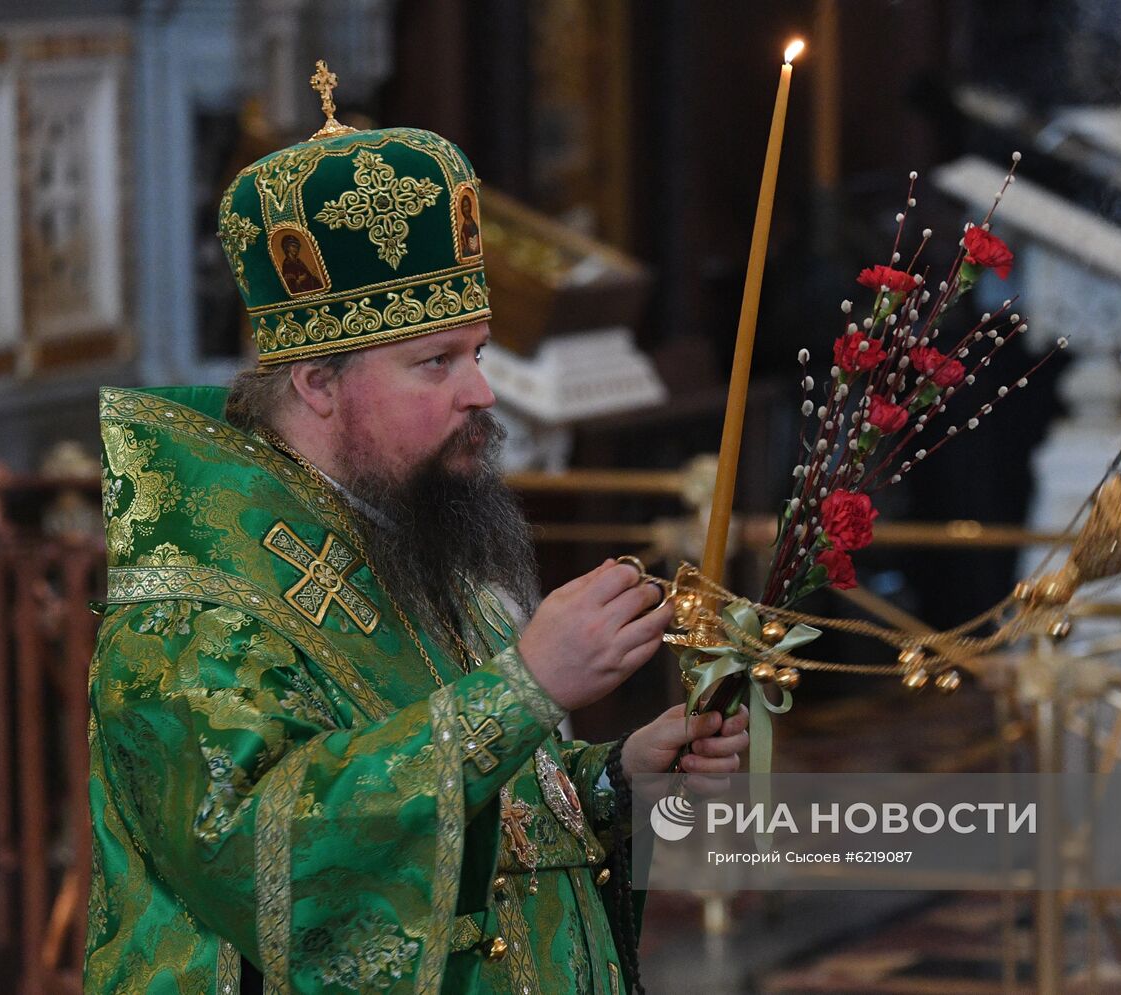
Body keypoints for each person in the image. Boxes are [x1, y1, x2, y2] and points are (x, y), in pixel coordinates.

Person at [85, 65, 747, 994]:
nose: (482, 391)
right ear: (318, 382)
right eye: (434, 362)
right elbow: (268, 871)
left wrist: (613, 782)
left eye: (477, 352)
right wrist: (523, 691)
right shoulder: (194, 607)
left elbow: (491, 832)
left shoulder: (418, 535)